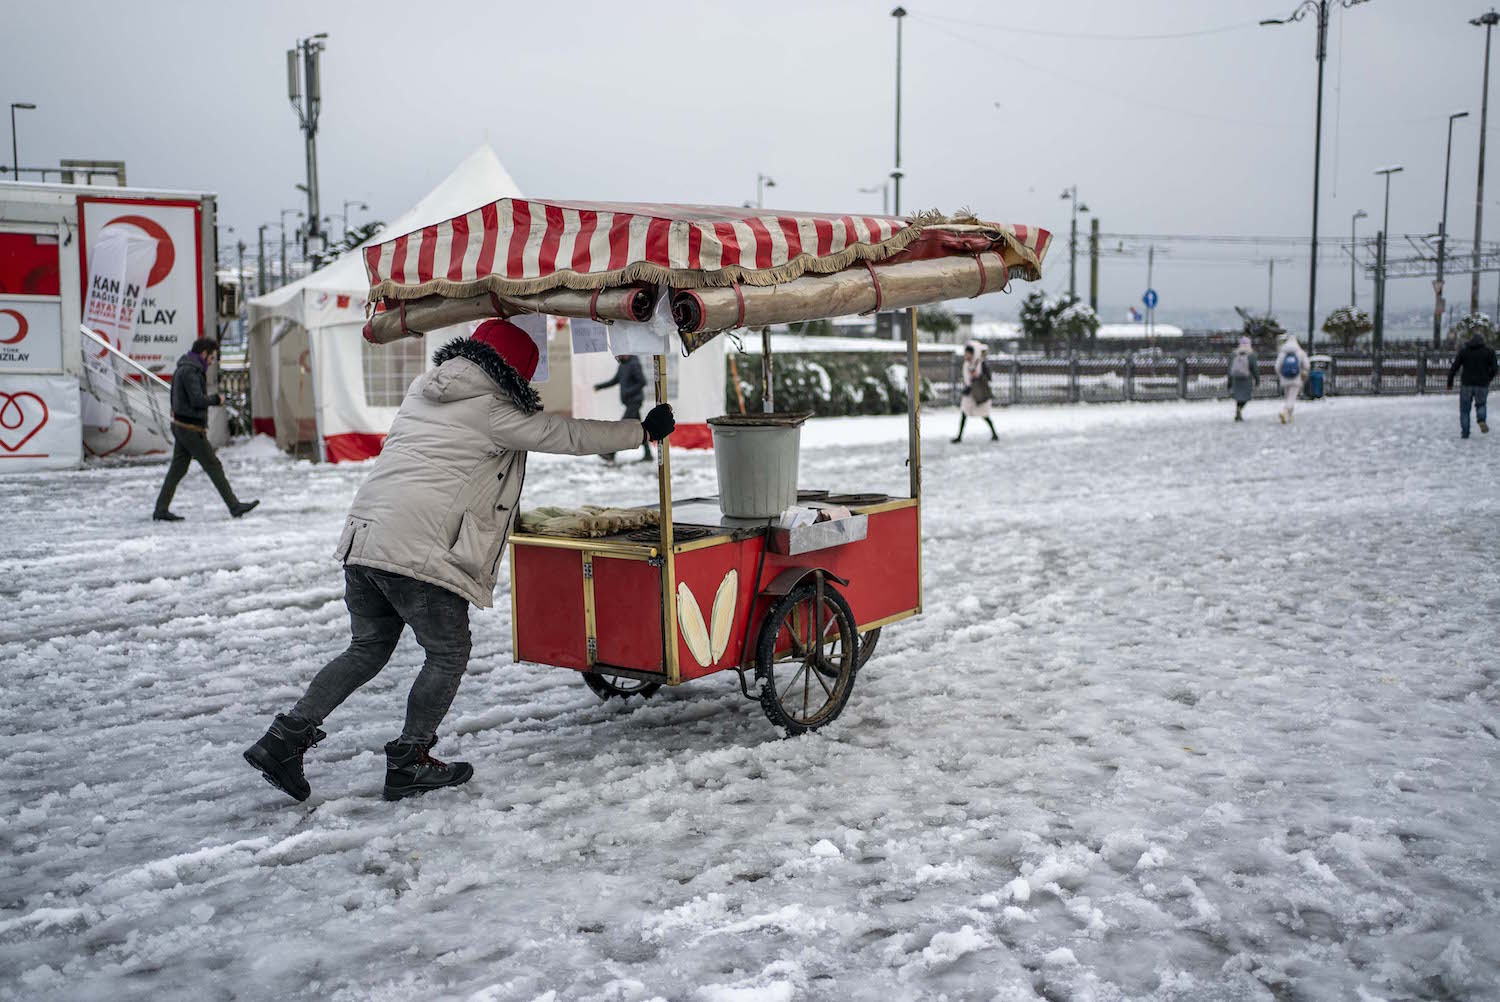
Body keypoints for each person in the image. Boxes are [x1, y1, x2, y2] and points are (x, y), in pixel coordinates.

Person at [244, 319, 675, 803]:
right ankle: (410, 759)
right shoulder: (492, 410)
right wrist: (641, 430)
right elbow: (563, 434)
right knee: (448, 652)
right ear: (514, 373)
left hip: (364, 539)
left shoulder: (421, 391)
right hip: (418, 551)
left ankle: (284, 738)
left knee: (366, 648)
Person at [153, 338, 258, 521]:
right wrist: (217, 399)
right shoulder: (191, 372)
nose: (212, 362)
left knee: (177, 469)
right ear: (204, 353)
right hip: (190, 429)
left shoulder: (185, 368)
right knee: (213, 466)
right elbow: (197, 400)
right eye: (212, 357)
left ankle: (161, 509)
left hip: (182, 426)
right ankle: (234, 506)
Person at [594, 354, 651, 463]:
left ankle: (610, 453)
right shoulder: (623, 366)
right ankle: (648, 454)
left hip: (635, 402)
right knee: (641, 430)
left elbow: (642, 382)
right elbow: (615, 380)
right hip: (629, 402)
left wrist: (629, 392)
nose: (618, 357)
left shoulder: (634, 364)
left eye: (620, 354)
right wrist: (600, 386)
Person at [1448, 328, 1498, 438]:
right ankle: (1481, 419)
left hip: (1466, 383)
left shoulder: (1464, 351)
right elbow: (1495, 368)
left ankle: (1465, 432)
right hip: (1482, 383)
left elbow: (1455, 367)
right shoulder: (1489, 352)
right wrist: (1488, 378)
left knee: (1465, 409)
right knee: (1481, 404)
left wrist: (1450, 381)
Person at [952, 341, 998, 443]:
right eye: (965, 353)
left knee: (984, 414)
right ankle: (959, 436)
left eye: (967, 353)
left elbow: (989, 377)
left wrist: (978, 376)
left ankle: (994, 434)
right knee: (964, 413)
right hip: (969, 392)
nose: (966, 355)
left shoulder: (981, 364)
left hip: (979, 393)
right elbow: (966, 379)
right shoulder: (966, 364)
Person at [1274, 334, 1309, 425]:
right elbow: (1307, 366)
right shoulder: (1300, 352)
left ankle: (1288, 416)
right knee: (1292, 398)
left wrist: (1280, 375)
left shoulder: (1283, 353)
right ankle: (1285, 412)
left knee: (1287, 396)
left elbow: (1277, 366)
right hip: (1296, 379)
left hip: (1285, 378)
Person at [1227, 336, 1259, 422]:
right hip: (1246, 379)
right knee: (1246, 397)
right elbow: (1255, 369)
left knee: (1238, 396)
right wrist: (1257, 380)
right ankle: (1240, 409)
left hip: (1235, 379)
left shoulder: (1234, 354)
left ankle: (1238, 409)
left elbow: (1230, 368)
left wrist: (1229, 382)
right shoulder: (1251, 355)